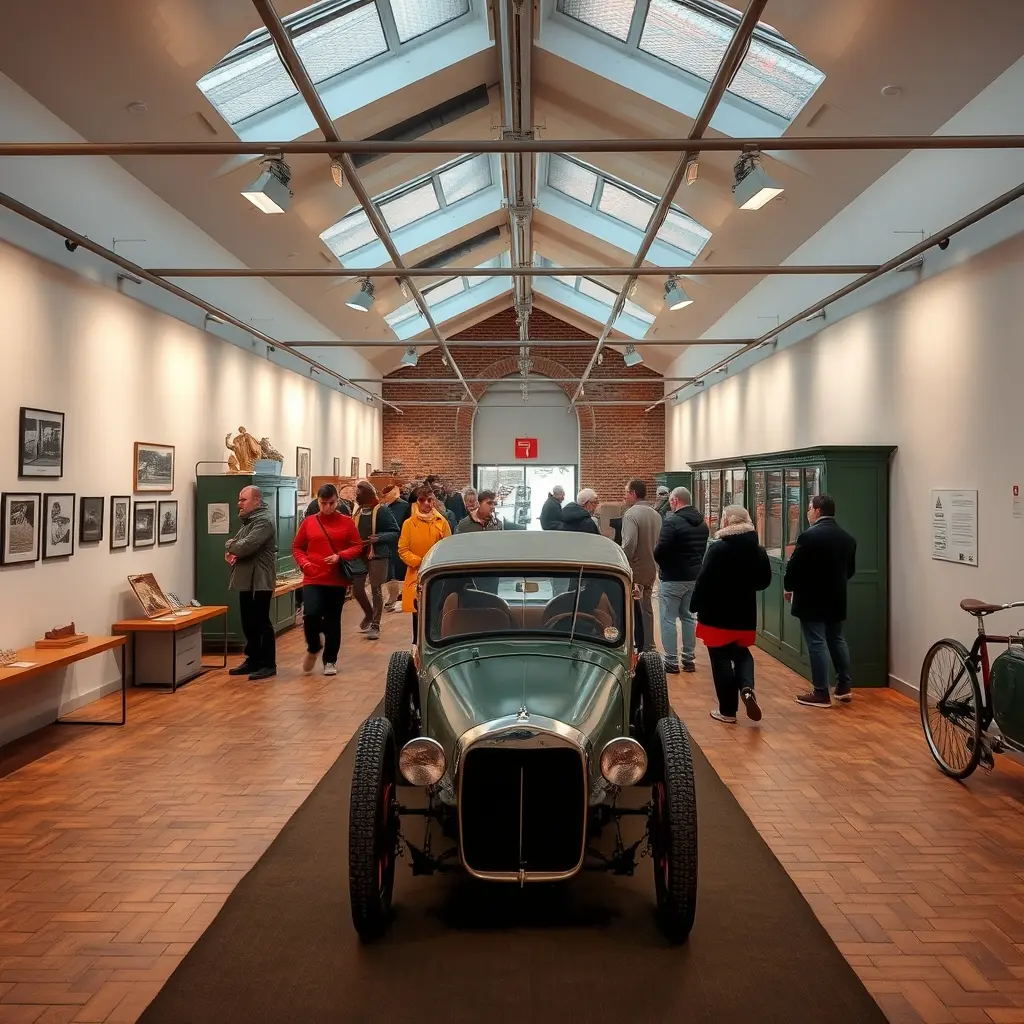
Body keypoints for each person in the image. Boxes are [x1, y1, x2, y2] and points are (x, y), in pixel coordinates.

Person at [690, 505, 772, 724]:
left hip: (716, 615)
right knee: (742, 653)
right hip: (744, 615)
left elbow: (703, 580)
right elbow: (764, 582)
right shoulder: (758, 551)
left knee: (720, 658)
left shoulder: (718, 549)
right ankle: (746, 687)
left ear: (726, 522)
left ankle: (727, 711)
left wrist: (694, 604)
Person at [784, 494, 857, 708]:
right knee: (836, 638)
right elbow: (850, 570)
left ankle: (821, 691)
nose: (808, 512)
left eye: (809, 508)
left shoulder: (808, 536)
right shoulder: (847, 538)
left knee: (816, 642)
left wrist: (789, 586)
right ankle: (843, 686)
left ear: (817, 511)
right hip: (836, 597)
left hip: (810, 598)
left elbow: (794, 566)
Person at [292, 483, 364, 676]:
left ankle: (330, 660)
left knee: (333, 619)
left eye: (331, 503)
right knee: (310, 614)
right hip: (313, 576)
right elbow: (297, 547)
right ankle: (314, 646)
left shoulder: (347, 522)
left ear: (337, 501)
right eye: (323, 503)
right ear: (318, 501)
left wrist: (340, 556)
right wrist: (305, 563)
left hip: (336, 578)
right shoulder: (309, 522)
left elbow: (357, 546)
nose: (327, 507)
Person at [224, 485, 278, 681]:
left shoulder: (263, 520)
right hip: (247, 579)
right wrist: (234, 547)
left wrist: (230, 545)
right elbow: (240, 544)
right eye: (239, 499)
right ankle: (253, 659)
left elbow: (244, 546)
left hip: (260, 579)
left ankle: (268, 664)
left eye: (243, 500)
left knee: (261, 621)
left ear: (256, 501)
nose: (239, 504)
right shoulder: (250, 519)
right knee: (248, 621)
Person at [654, 486, 709, 674]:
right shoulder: (702, 523)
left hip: (673, 577)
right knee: (688, 616)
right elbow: (701, 551)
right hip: (693, 577)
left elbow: (660, 551)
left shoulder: (672, 522)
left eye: (671, 500)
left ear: (675, 500)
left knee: (668, 618)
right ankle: (688, 658)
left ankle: (671, 660)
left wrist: (664, 566)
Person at [399, 484, 452, 642]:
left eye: (429, 500)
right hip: (416, 574)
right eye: (422, 500)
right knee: (418, 614)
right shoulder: (408, 524)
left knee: (436, 612)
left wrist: (434, 564)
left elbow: (448, 548)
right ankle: (417, 646)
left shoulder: (442, 522)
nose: (426, 504)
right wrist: (421, 562)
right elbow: (403, 550)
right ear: (417, 502)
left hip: (437, 574)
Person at [352, 481, 399, 640]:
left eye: (358, 493)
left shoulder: (382, 510)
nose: (356, 496)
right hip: (360, 554)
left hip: (378, 554)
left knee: (376, 589)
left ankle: (375, 625)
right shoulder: (358, 511)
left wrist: (378, 538)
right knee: (357, 589)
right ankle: (369, 613)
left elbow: (395, 531)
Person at [621, 479, 661, 653]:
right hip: (652, 566)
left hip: (635, 567)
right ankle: (648, 644)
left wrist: (622, 559)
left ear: (633, 493)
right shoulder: (656, 514)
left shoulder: (631, 514)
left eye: (626, 492)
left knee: (633, 609)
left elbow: (630, 542)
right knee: (646, 607)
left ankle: (638, 645)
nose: (624, 496)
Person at [381, 484, 410, 613]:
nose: (386, 497)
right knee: (389, 573)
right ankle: (392, 598)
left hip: (400, 542)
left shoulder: (405, 506)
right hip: (387, 542)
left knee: (400, 571)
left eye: (388, 494)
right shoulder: (383, 507)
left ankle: (403, 596)